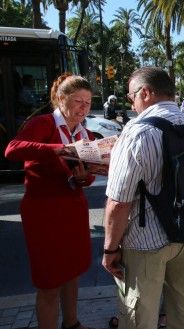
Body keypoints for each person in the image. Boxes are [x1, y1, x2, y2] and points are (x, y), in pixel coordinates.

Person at [101, 67, 184, 329]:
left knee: (139, 317)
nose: (131, 103)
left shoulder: (137, 132)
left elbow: (118, 202)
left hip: (146, 243)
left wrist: (110, 249)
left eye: (131, 96)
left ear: (145, 92)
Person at [5, 73, 95, 329]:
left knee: (73, 272)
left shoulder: (84, 133)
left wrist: (84, 177)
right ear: (61, 99)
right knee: (49, 281)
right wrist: (54, 150)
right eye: (78, 100)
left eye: (88, 102)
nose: (83, 107)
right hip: (44, 211)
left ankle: (72, 323)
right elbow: (12, 149)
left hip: (73, 208)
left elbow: (85, 178)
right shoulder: (44, 123)